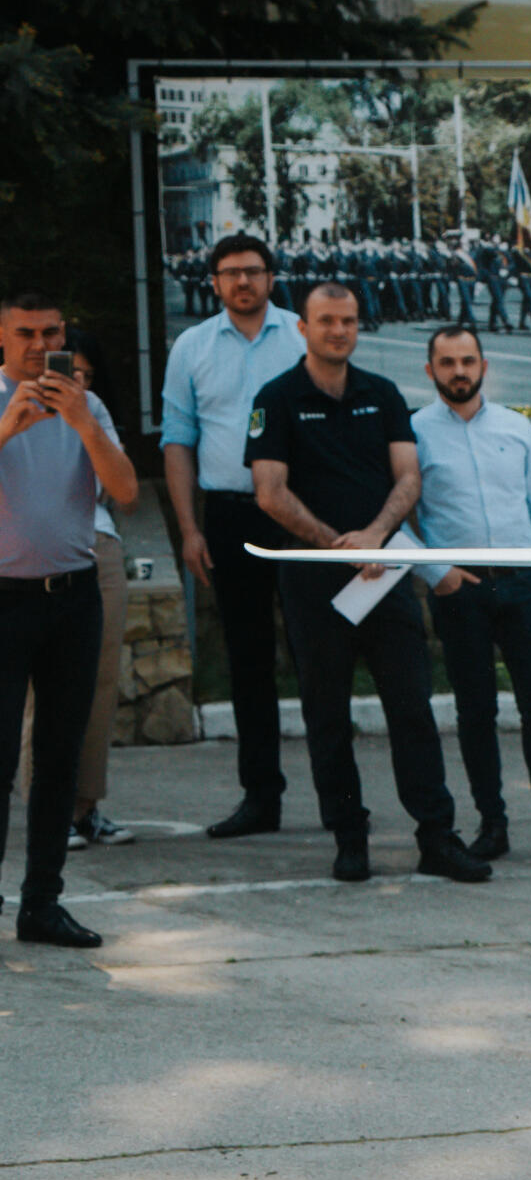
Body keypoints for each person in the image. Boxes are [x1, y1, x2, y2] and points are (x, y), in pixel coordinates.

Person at [247, 284, 489, 886]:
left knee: (412, 709)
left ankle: (437, 836)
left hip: (384, 575)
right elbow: (269, 493)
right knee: (327, 715)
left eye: (349, 320)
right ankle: (349, 837)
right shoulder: (275, 399)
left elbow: (408, 478)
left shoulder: (381, 394)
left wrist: (376, 536)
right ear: (302, 328)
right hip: (313, 580)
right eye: (326, 321)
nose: (339, 331)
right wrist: (338, 545)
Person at [410, 325, 531, 866]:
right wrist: (435, 571)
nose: (459, 371)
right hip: (460, 588)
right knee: (476, 711)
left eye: (467, 360)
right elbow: (398, 515)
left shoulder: (516, 429)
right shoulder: (414, 433)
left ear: (484, 366)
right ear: (430, 371)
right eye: (447, 362)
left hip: (521, 583)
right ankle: (491, 825)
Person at [0, 292, 139, 948]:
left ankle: (43, 903)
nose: (38, 344)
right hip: (3, 597)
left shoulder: (87, 405)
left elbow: (128, 492)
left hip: (72, 596)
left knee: (59, 756)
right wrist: (8, 425)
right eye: (24, 332)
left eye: (49, 332)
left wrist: (84, 423)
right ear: (2, 336)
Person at [161, 234, 309, 839]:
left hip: (303, 519)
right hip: (228, 517)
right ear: (214, 283)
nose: (242, 282)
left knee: (318, 656)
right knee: (249, 661)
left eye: (253, 271)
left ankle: (338, 796)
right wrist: (190, 529)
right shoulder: (191, 346)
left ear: (271, 277)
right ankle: (261, 798)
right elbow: (178, 440)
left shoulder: (303, 335)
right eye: (230, 274)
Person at [61, 332, 134, 850]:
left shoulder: (93, 410)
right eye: (68, 369)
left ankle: (86, 808)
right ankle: (54, 811)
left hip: (97, 545)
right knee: (43, 697)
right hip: (24, 559)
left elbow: (117, 488)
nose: (75, 380)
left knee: (99, 685)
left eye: (84, 373)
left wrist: (81, 417)